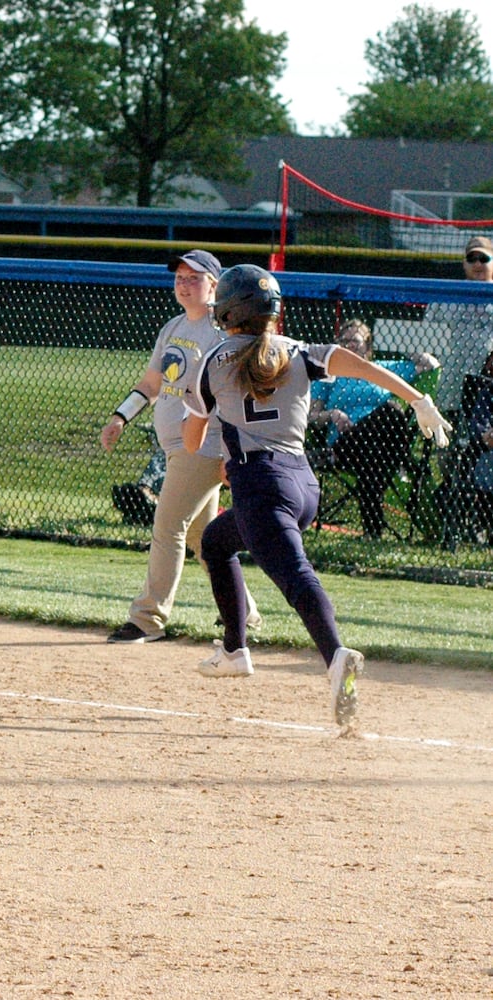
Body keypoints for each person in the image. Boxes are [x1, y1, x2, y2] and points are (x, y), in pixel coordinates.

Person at [182, 264, 451, 733]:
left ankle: (336, 656)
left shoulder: (215, 358)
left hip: (261, 486)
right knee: (216, 541)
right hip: (303, 485)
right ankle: (234, 649)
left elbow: (190, 440)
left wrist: (226, 440)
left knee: (296, 577)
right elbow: (365, 367)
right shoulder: (301, 352)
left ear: (227, 310)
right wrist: (418, 401)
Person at [101, 249, 259, 644]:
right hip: (176, 447)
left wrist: (230, 453)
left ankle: (147, 618)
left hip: (203, 446)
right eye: (180, 278)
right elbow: (152, 384)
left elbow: (234, 396)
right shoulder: (173, 327)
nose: (184, 285)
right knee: (202, 538)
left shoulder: (222, 331)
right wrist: (121, 417)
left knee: (167, 526)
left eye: (194, 278)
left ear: (215, 285)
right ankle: (246, 612)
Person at [308, 318, 439, 538]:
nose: (350, 346)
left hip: (376, 448)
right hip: (347, 441)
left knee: (384, 431)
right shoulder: (329, 374)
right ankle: (402, 461)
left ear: (368, 346)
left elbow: (431, 364)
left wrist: (406, 350)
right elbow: (311, 416)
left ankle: (372, 532)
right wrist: (332, 414)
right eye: (344, 341)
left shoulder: (384, 369)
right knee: (392, 410)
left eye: (356, 341)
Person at [427, 234, 493, 417]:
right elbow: (424, 337)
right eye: (472, 259)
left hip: (487, 381)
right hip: (450, 376)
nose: (478, 264)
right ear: (464, 264)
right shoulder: (446, 296)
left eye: (484, 258)